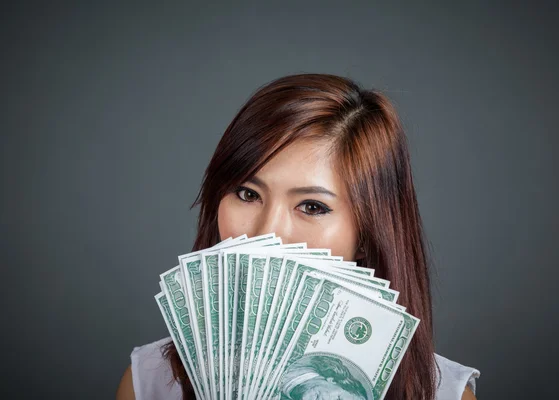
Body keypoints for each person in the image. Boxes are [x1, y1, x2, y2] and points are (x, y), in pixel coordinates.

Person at [116, 73, 480, 400]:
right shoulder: (148, 381)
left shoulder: (445, 394)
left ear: (368, 233)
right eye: (247, 194)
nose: (267, 233)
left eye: (312, 207)